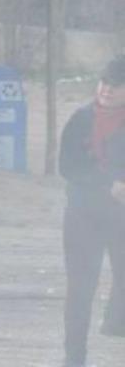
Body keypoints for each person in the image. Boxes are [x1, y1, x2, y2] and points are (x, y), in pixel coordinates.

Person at [59, 55, 125, 367]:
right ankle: (74, 358)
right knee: (80, 290)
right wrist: (108, 183)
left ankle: (115, 321)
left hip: (122, 219)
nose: (107, 90)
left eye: (117, 85)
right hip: (83, 216)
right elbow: (68, 166)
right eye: (104, 82)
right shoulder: (81, 118)